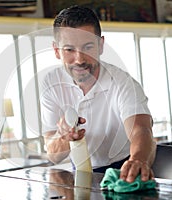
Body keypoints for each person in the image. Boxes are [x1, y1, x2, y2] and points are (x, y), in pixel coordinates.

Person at [40, 5, 156, 183]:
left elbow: (141, 129)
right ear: (57, 51)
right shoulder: (50, 83)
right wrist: (64, 137)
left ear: (100, 45)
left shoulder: (122, 83)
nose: (79, 59)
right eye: (69, 50)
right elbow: (52, 155)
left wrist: (138, 159)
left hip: (125, 170)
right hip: (80, 174)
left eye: (87, 47)